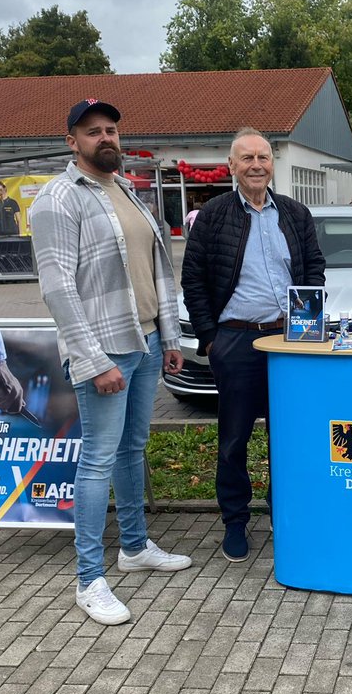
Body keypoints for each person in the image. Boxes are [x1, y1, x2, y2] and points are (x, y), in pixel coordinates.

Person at [31, 98, 191, 626]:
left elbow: (157, 269)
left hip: (143, 340)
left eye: (112, 130)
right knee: (98, 457)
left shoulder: (125, 189)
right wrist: (93, 359)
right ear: (71, 140)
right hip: (105, 347)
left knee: (133, 448)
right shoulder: (57, 199)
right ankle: (88, 579)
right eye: (94, 131)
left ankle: (135, 548)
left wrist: (168, 334)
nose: (107, 138)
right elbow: (56, 288)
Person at [182, 130, 325, 563]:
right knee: (234, 438)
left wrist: (307, 316)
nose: (257, 164)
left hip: (288, 339)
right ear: (231, 165)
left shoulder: (296, 214)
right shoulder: (212, 215)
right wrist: (210, 339)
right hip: (237, 339)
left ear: (272, 164)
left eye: (264, 156)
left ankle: (283, 511)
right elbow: (193, 280)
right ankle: (235, 522)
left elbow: (315, 267)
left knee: (289, 433)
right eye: (247, 157)